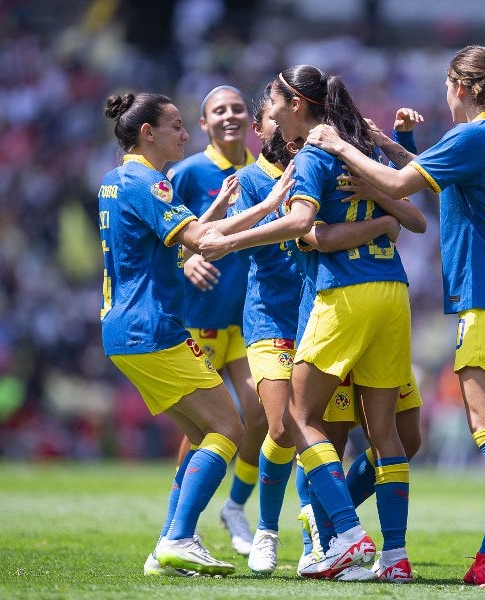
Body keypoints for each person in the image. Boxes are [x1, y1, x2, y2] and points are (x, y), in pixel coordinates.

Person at [306, 45, 485, 588]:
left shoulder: (473, 138)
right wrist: (386, 143)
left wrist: (339, 145)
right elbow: (433, 174)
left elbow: (397, 187)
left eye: (446, 86)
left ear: (458, 87)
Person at [199, 65, 417, 581]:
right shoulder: (347, 147)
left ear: (294, 104)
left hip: (336, 302)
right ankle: (383, 552)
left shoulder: (319, 153)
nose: (266, 112)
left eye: (272, 98)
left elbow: (305, 229)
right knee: (340, 428)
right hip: (384, 294)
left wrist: (224, 242)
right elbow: (414, 216)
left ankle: (340, 535)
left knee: (298, 420)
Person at [98, 92, 293, 577]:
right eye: (176, 126)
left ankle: (164, 549)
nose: (185, 134)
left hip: (122, 328)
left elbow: (171, 248)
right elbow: (203, 245)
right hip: (154, 327)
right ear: (148, 133)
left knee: (202, 435)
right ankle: (182, 537)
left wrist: (218, 208)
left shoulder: (114, 180)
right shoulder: (150, 181)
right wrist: (269, 203)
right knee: (230, 429)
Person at [166, 85, 267, 557]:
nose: (230, 116)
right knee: (201, 431)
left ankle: (235, 507)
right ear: (203, 124)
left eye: (237, 108)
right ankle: (177, 526)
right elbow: (160, 241)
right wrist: (185, 261)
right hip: (199, 320)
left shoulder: (263, 173)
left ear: (251, 118)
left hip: (249, 319)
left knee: (264, 414)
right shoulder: (187, 173)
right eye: (218, 110)